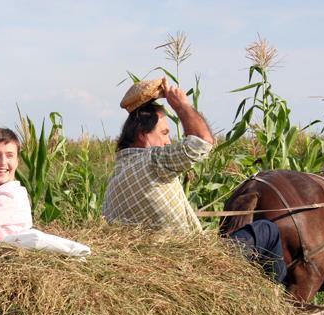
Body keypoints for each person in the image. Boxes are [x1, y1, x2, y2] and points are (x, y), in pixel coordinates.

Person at [103, 79, 287, 282]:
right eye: (164, 133)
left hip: (154, 266)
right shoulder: (153, 161)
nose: (168, 141)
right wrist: (181, 105)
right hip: (194, 263)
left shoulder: (115, 179)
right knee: (267, 230)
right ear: (142, 136)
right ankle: (275, 301)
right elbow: (202, 141)